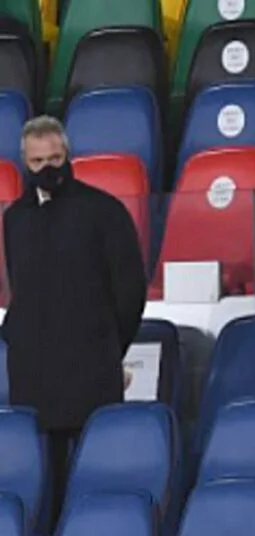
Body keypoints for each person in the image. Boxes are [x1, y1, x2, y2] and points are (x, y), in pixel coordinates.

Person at [1, 116, 147, 526]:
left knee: (95, 475)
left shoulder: (103, 211)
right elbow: (22, 289)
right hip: (33, 375)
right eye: (37, 161)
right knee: (42, 485)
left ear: (68, 156)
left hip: (90, 371)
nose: (47, 168)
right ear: (24, 162)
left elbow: (130, 290)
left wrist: (107, 346)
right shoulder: (15, 219)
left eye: (55, 157)